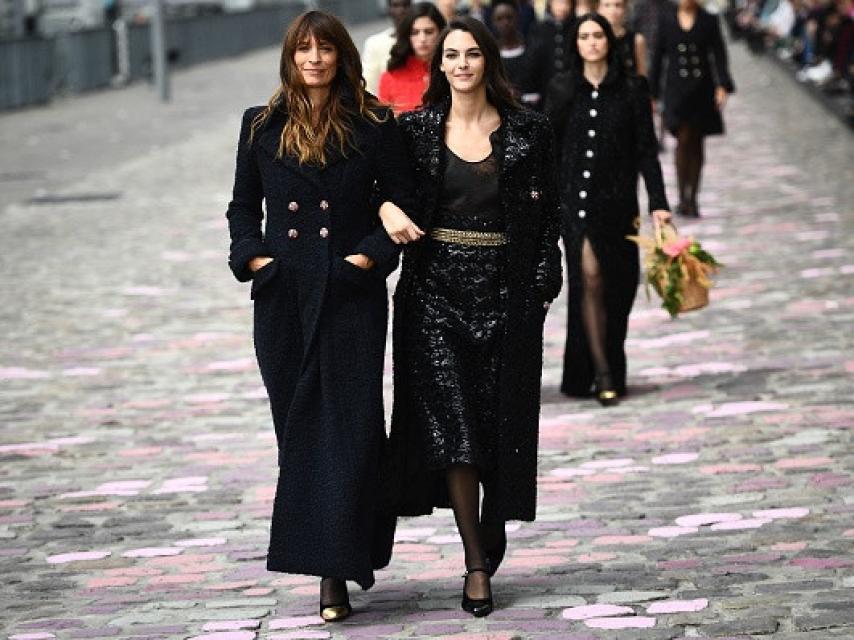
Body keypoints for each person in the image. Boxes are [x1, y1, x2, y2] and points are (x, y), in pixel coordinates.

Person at [225, 10, 418, 623]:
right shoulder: (261, 123)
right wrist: (254, 258)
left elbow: (405, 198)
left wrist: (370, 258)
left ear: (341, 55)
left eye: (324, 48)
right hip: (284, 298)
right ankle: (328, 569)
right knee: (301, 433)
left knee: (354, 430)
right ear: (290, 56)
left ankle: (341, 561)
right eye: (303, 48)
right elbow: (241, 207)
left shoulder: (375, 121)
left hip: (350, 296)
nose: (313, 58)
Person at [379, 16, 562, 617]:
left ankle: (492, 520)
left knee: (495, 426)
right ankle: (475, 563)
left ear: (489, 61)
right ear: (439, 65)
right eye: (450, 55)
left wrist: (539, 285)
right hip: (433, 294)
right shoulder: (414, 130)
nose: (460, 64)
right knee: (453, 430)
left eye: (471, 54)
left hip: (505, 294)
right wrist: (384, 207)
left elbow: (548, 220)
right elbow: (371, 181)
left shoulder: (529, 133)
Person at [546, 13, 671, 405]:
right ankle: (602, 374)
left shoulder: (633, 90)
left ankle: (606, 365)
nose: (592, 42)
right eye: (583, 36)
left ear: (608, 41)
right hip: (575, 204)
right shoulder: (563, 88)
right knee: (590, 280)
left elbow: (646, 152)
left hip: (618, 208)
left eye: (597, 35)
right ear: (575, 44)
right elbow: (548, 149)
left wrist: (659, 204)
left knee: (618, 289)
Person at [649, 0, 735, 217]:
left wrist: (722, 85)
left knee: (697, 141)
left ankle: (693, 197)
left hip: (701, 88)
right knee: (683, 137)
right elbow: (658, 57)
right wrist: (651, 92)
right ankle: (681, 196)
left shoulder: (709, 20)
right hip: (676, 89)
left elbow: (718, 54)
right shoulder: (666, 20)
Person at [379, 3, 447, 114]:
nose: (422, 39)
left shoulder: (452, 72)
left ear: (440, 32)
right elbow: (384, 125)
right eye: (415, 32)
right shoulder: (390, 78)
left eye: (429, 32)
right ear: (407, 36)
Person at [492, 0, 546, 107]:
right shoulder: (491, 54)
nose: (505, 23)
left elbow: (544, 85)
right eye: (500, 19)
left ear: (517, 18)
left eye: (509, 17)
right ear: (493, 22)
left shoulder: (534, 49)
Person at [362, 0, 412, 94]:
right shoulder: (375, 43)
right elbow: (369, 86)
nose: (401, 10)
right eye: (396, 5)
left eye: (405, 5)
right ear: (389, 9)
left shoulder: (422, 40)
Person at [599, 0, 648, 75]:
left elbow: (642, 75)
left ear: (625, 8)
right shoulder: (593, 40)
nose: (613, 10)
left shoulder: (636, 40)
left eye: (618, 5)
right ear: (599, 8)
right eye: (607, 5)